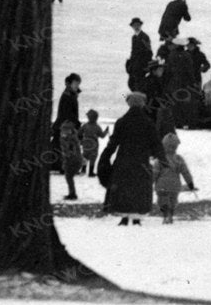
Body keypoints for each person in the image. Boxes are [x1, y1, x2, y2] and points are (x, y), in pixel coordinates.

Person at [98, 92, 163, 225]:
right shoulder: (148, 122)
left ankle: (124, 217)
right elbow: (156, 143)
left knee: (124, 189)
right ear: (142, 104)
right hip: (141, 162)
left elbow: (113, 142)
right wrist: (161, 157)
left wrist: (105, 156)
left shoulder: (122, 121)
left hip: (124, 160)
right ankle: (137, 218)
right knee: (138, 188)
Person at [151, 130, 196, 223]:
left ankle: (165, 215)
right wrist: (190, 184)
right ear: (176, 146)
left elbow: (154, 173)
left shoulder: (160, 159)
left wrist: (150, 183)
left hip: (161, 186)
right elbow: (185, 173)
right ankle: (170, 214)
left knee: (162, 201)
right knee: (173, 201)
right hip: (174, 186)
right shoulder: (179, 159)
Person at [79, 109, 104, 179]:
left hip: (86, 143)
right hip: (94, 144)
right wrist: (106, 131)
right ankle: (91, 172)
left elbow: (79, 133)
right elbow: (102, 136)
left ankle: (83, 170)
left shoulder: (85, 125)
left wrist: (80, 140)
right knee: (93, 157)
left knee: (85, 156)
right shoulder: (97, 127)